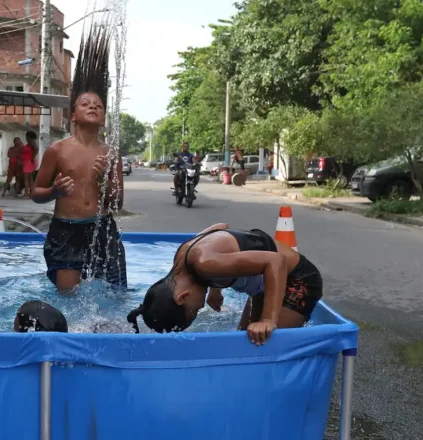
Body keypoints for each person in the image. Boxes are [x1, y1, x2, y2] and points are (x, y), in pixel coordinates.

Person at [31, 25, 127, 292]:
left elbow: (117, 203)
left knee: (114, 295)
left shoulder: (111, 154)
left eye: (98, 104)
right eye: (85, 103)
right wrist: (54, 190)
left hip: (103, 228)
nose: (93, 106)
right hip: (66, 230)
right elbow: (36, 193)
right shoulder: (58, 150)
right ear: (73, 116)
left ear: (103, 116)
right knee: (69, 298)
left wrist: (102, 180)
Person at [126, 223, 323, 345]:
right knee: (244, 342)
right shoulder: (183, 256)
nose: (201, 307)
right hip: (267, 285)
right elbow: (220, 227)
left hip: (297, 280)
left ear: (182, 296)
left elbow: (276, 262)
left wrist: (268, 319)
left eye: (194, 310)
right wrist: (215, 287)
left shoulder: (205, 264)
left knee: (263, 345)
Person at [21, 132, 38, 197]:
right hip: (27, 162)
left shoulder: (32, 142)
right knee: (30, 179)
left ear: (29, 136)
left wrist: (32, 157)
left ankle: (26, 193)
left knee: (26, 179)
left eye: (26, 136)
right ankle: (31, 192)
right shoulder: (29, 143)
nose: (26, 138)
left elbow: (36, 148)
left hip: (28, 162)